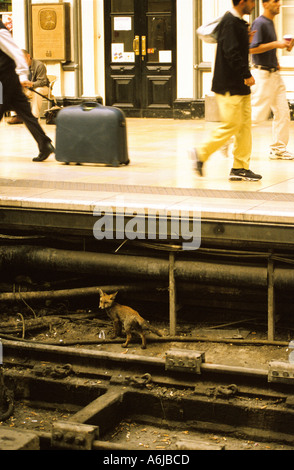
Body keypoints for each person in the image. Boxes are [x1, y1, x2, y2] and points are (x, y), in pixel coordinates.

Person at [191, 0, 262, 182]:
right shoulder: (230, 21)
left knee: (244, 127)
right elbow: (231, 52)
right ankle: (201, 153)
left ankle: (240, 168)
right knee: (232, 124)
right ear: (242, 2)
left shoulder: (239, 22)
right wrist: (246, 74)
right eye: (251, 1)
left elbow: (235, 48)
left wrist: (245, 41)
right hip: (229, 84)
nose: (254, 5)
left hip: (240, 85)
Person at [0, 19, 54, 162]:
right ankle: (45, 144)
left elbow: (16, 52)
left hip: (6, 80)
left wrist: (23, 74)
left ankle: (45, 144)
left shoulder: (0, 31)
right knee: (27, 115)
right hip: (8, 81)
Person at [250, 0, 294, 160]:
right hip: (263, 75)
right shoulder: (259, 23)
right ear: (266, 4)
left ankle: (278, 149)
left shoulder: (270, 23)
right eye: (275, 1)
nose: (279, 5)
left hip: (274, 74)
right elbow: (252, 48)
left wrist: (277, 59)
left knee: (283, 112)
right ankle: (228, 139)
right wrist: (276, 44)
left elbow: (268, 48)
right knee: (257, 115)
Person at [8, 50, 49, 123]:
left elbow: (43, 81)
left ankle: (34, 117)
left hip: (43, 88)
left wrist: (32, 84)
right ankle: (17, 116)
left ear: (28, 56)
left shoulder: (39, 65)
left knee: (38, 90)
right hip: (28, 89)